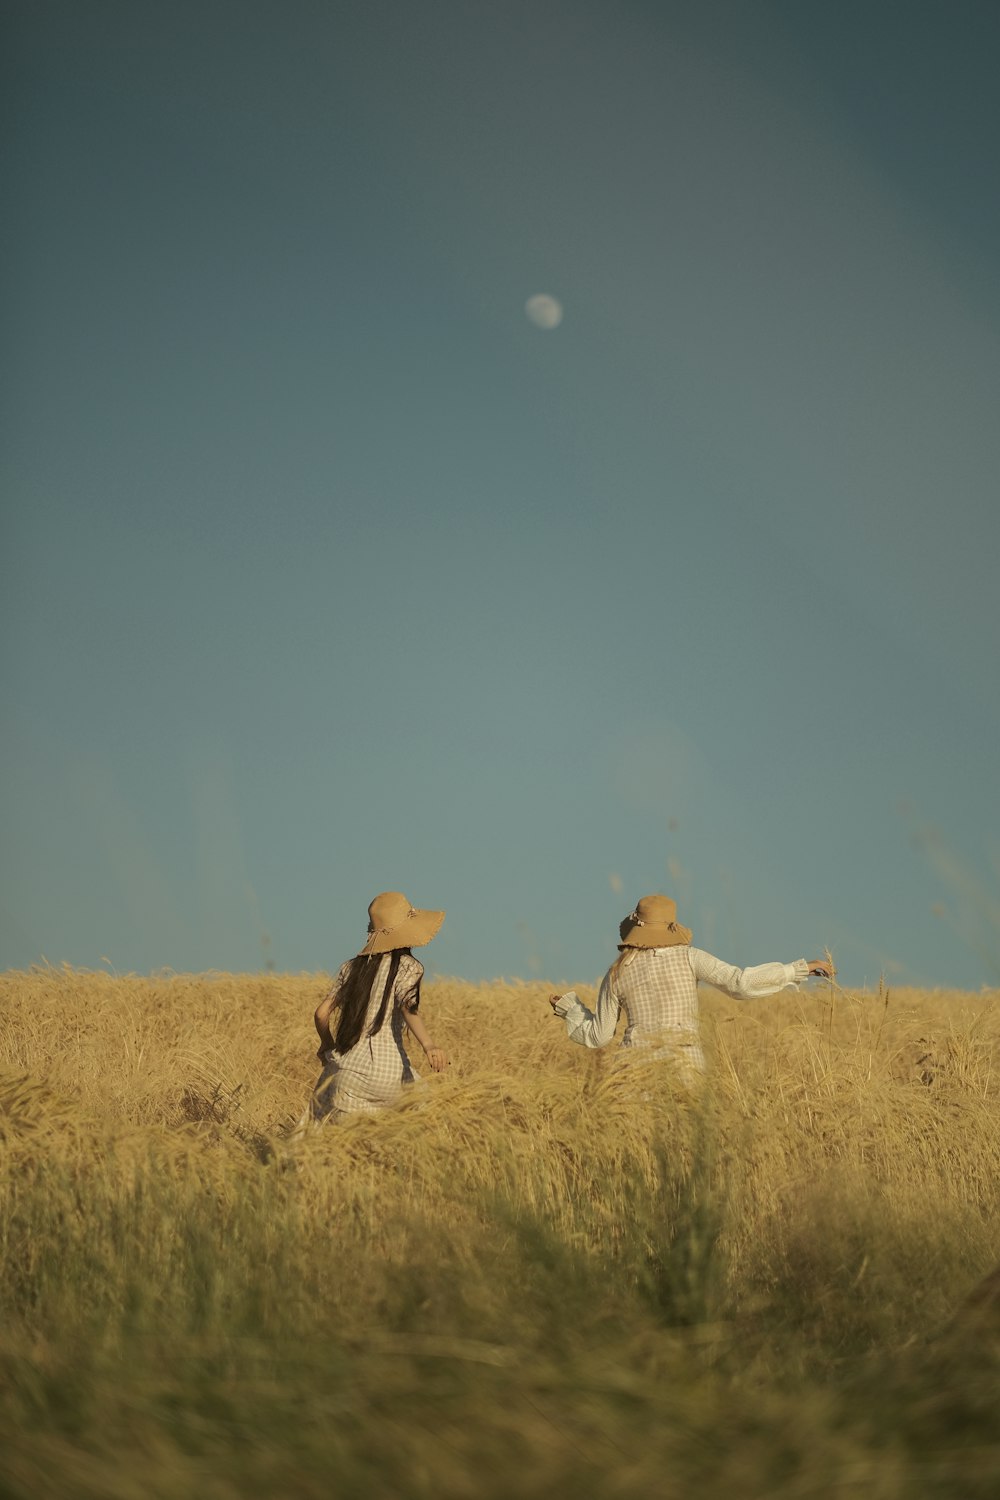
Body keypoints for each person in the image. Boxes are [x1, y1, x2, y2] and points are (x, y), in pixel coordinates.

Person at [549, 893, 834, 1079]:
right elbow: (741, 984)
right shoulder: (689, 957)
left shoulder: (617, 972)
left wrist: (569, 1008)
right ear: (672, 927)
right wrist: (799, 969)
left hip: (634, 1073)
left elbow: (599, 1036)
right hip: (684, 1069)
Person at [310, 891, 449, 1122]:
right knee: (428, 1123)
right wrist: (429, 1045)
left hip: (348, 1075)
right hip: (390, 1074)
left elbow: (321, 1013)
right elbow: (408, 1007)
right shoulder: (408, 966)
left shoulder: (351, 968)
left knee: (340, 1146)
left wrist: (327, 1043)